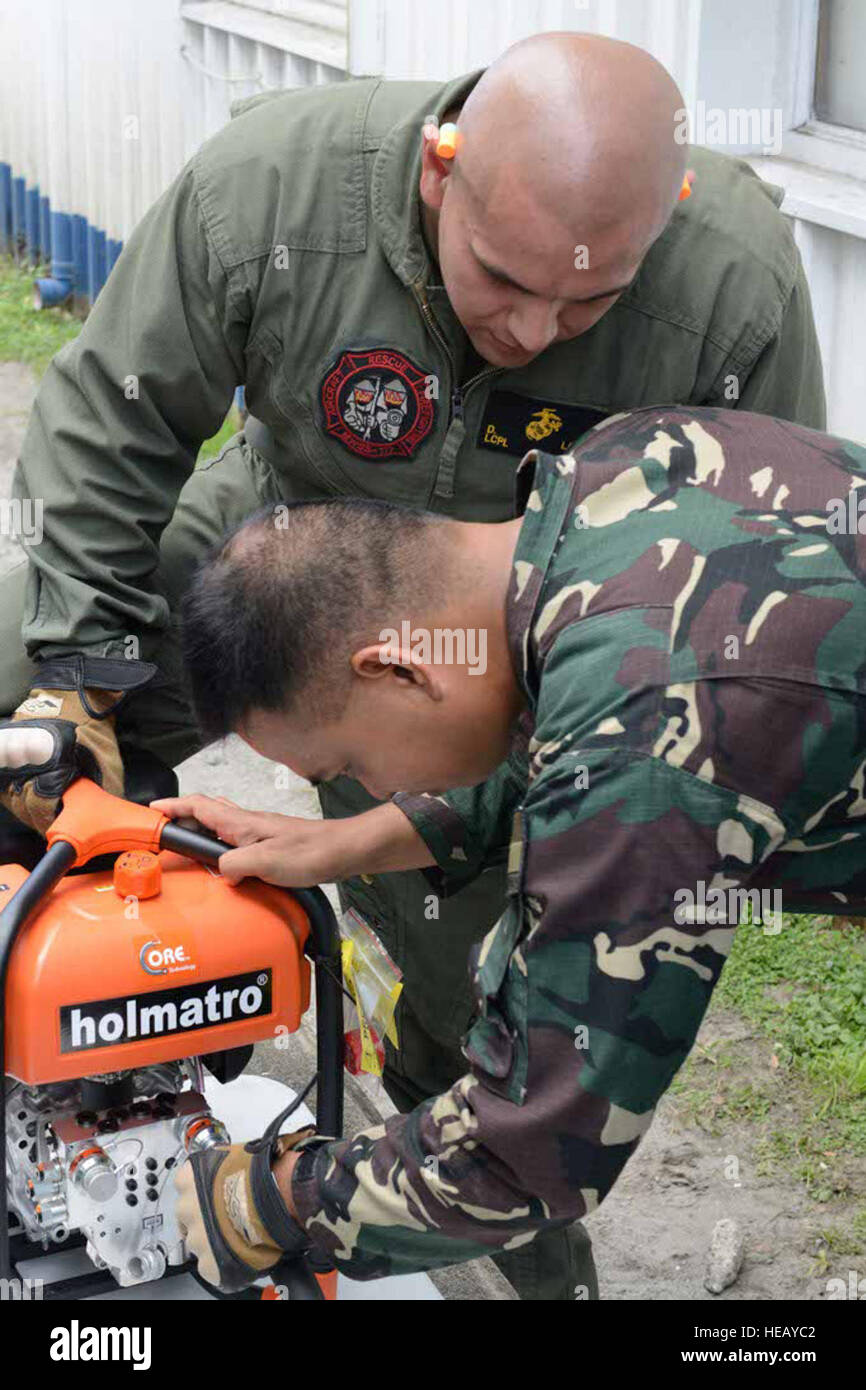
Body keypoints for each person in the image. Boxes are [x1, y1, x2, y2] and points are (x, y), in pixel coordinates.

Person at [0, 32, 825, 1299]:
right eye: (501, 276)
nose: (532, 330)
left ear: (660, 228)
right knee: (20, 691)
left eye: (588, 305)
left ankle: (517, 1266)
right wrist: (80, 684)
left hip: (545, 643)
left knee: (480, 995)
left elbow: (666, 736)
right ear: (440, 171)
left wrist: (261, 1202)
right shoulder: (271, 196)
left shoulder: (731, 303)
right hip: (309, 543)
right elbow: (111, 425)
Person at [160, 403, 866, 1289]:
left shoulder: (642, 732)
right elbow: (570, 723)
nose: (373, 785)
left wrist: (266, 1202)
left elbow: (536, 1145)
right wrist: (353, 842)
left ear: (400, 668)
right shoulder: (614, 472)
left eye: (347, 763)